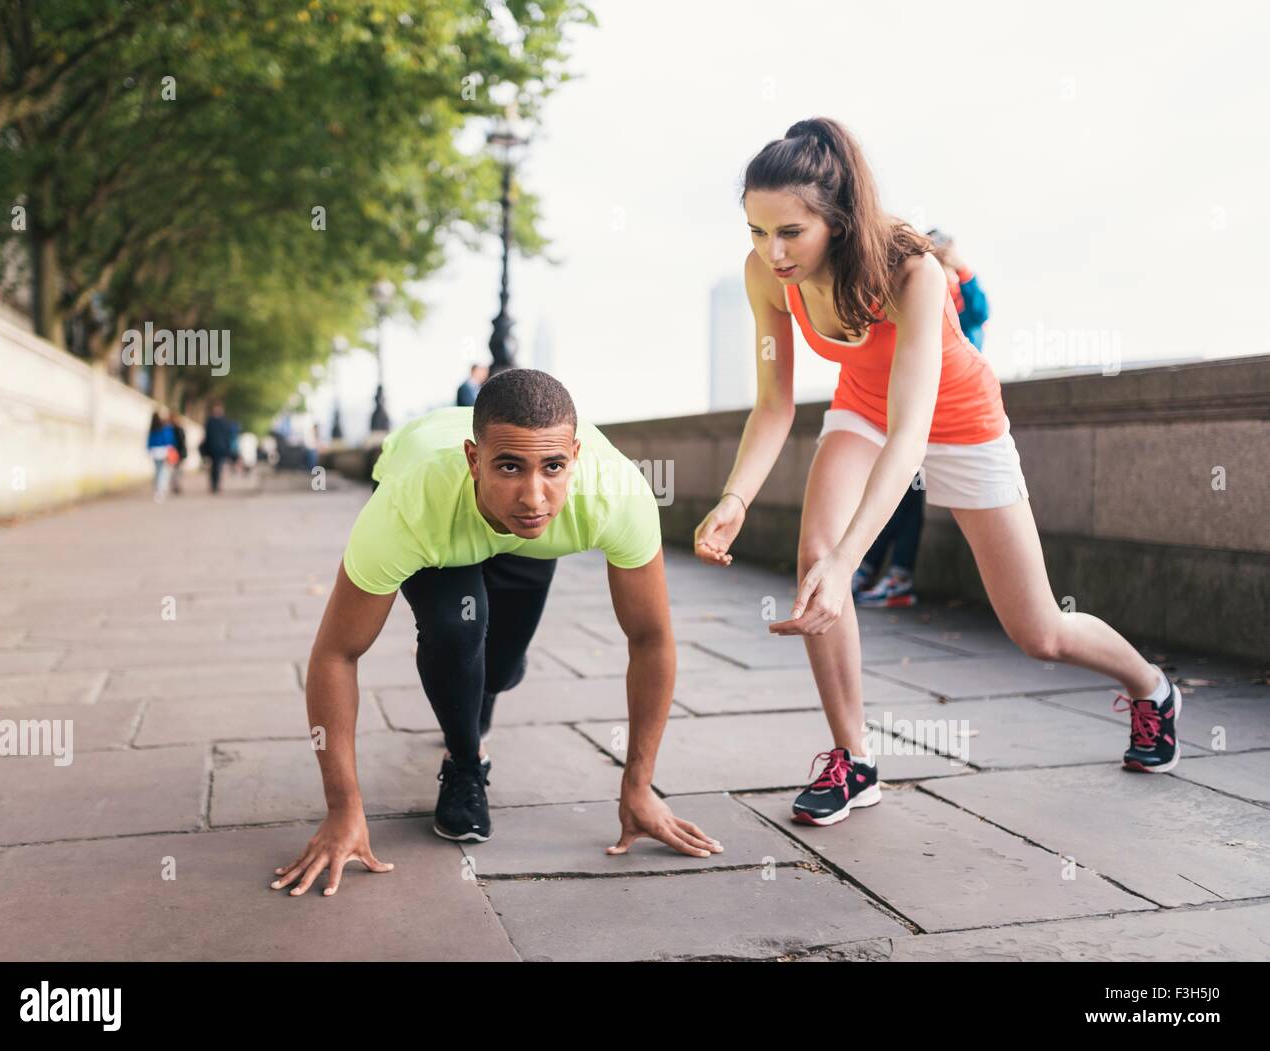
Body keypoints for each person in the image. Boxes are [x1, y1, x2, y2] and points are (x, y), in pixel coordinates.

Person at [693, 117, 1182, 829]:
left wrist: (851, 560)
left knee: (1039, 631)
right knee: (814, 557)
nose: (772, 252)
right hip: (864, 404)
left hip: (956, 417)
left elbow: (914, 431)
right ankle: (853, 759)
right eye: (755, 232)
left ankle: (1152, 688)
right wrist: (736, 496)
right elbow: (773, 404)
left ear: (835, 216)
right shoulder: (765, 277)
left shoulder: (910, 269)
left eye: (790, 232)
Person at [272, 368, 722, 898]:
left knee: (500, 666)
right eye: (509, 466)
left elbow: (650, 639)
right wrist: (343, 809)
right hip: (446, 522)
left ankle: (491, 677)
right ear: (473, 460)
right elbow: (336, 654)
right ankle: (465, 763)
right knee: (459, 630)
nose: (534, 496)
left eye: (553, 466)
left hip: (533, 546)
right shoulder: (411, 506)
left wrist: (640, 787)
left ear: (575, 456)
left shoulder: (613, 494)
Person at [852, 228, 990, 608]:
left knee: (905, 498)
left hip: (949, 416)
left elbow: (980, 312)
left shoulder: (955, 294)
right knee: (902, 498)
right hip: (918, 414)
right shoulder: (915, 288)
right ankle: (880, 574)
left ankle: (884, 575)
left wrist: (961, 268)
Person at [200, 402, 233, 493]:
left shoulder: (220, 422)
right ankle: (214, 485)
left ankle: (216, 485)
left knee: (217, 467)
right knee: (215, 467)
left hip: (219, 448)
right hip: (213, 448)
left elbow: (227, 436)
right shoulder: (216, 422)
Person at [146, 410, 176, 503]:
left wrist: (149, 449)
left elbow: (149, 441)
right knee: (162, 471)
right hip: (162, 451)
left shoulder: (152, 428)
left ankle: (158, 488)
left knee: (157, 470)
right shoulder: (163, 428)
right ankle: (160, 490)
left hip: (154, 451)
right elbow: (168, 440)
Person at [168, 412, 188, 495]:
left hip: (178, 452)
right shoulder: (171, 429)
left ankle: (176, 484)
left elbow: (183, 442)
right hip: (173, 452)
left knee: (177, 470)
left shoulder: (176, 429)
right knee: (175, 470)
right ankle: (175, 484)